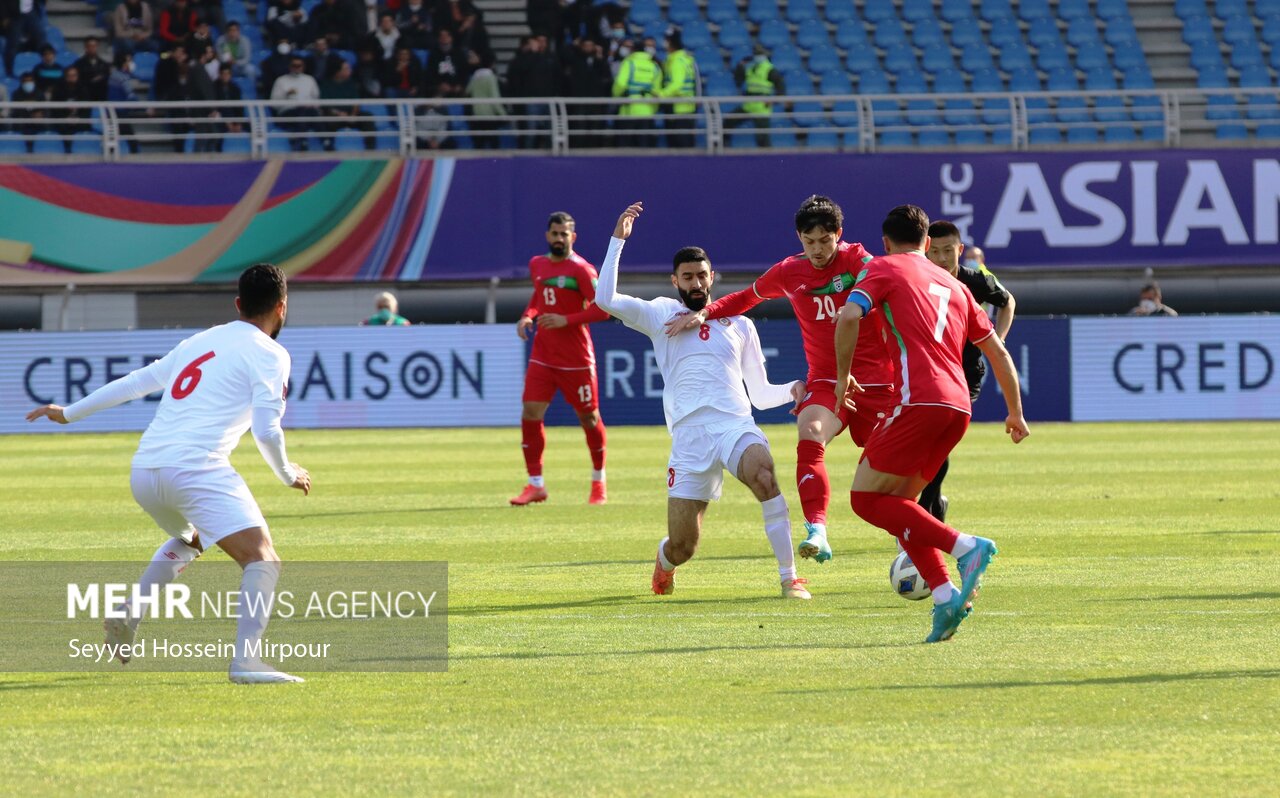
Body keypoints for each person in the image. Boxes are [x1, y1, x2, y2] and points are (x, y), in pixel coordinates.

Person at [25, 263, 311, 684]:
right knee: (262, 558)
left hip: (145, 472)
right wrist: (288, 474)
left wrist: (69, 413)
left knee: (192, 539)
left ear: (238, 304)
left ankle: (130, 612)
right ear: (282, 307)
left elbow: (136, 382)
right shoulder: (271, 353)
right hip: (195, 469)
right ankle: (246, 662)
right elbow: (267, 430)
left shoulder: (201, 340)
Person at [595, 202, 812, 600]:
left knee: (765, 476)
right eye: (687, 277)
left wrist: (793, 388)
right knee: (684, 547)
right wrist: (617, 242)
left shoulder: (739, 324)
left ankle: (790, 578)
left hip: (734, 426)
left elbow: (760, 394)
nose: (696, 283)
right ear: (674, 281)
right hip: (689, 438)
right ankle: (665, 562)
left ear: (713, 277)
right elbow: (605, 299)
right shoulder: (661, 314)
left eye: (701, 275)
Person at [835, 205, 1029, 643]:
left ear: (885, 243)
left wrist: (843, 376)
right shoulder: (955, 285)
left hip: (916, 400)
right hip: (958, 407)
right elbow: (997, 351)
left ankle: (966, 547)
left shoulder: (883, 268)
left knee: (865, 500)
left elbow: (848, 316)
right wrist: (1015, 411)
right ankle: (944, 598)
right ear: (927, 243)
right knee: (903, 505)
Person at [666, 195, 889, 567]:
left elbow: (891, 287)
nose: (817, 250)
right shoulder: (789, 272)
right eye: (809, 241)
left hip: (876, 382)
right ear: (799, 238)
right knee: (810, 431)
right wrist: (706, 313)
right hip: (826, 381)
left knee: (887, 466)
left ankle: (908, 539)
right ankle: (817, 529)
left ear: (839, 234)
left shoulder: (858, 261)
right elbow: (746, 298)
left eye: (825, 240)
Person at [511, 211, 611, 507]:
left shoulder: (582, 270)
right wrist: (528, 315)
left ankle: (598, 481)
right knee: (530, 412)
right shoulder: (537, 264)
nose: (559, 239)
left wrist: (566, 319)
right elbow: (539, 296)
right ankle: (535, 484)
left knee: (589, 417)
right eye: (554, 233)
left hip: (576, 358)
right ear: (547, 235)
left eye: (564, 234)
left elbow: (602, 310)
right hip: (543, 354)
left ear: (573, 237)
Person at [920, 220, 1016, 522]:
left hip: (965, 374)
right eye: (935, 251)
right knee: (928, 443)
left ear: (960, 250)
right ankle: (932, 505)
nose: (942, 258)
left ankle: (925, 509)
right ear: (925, 250)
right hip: (927, 372)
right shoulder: (917, 280)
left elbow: (1008, 301)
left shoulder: (975, 280)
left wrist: (998, 340)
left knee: (939, 441)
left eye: (948, 250)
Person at [611, 36, 662, 147]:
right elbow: (656, 91)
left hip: (628, 110)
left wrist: (616, 96)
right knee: (643, 144)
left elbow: (620, 84)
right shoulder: (654, 66)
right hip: (647, 110)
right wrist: (653, 109)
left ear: (633, 50)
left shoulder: (629, 63)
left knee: (625, 145)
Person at [732, 44, 784, 147]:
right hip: (748, 105)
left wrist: (774, 101)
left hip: (762, 107)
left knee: (762, 137)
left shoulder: (770, 69)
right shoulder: (750, 67)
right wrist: (740, 66)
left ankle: (767, 155)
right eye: (756, 54)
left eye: (759, 54)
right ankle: (722, 146)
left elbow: (781, 88)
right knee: (728, 122)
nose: (757, 56)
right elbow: (738, 81)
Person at [320, 60, 376, 150]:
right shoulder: (326, 84)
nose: (349, 70)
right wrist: (339, 114)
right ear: (337, 71)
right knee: (327, 121)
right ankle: (329, 148)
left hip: (351, 115)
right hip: (334, 116)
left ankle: (370, 148)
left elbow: (356, 102)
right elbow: (325, 105)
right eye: (346, 68)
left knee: (367, 116)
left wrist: (353, 115)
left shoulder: (351, 83)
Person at [657, 27, 698, 148]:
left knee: (680, 145)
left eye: (666, 40)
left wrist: (661, 94)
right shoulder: (684, 59)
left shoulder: (677, 61)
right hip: (685, 108)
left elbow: (677, 84)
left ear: (670, 42)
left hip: (678, 109)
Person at [270, 54, 321, 150]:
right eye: (294, 65)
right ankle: (303, 141)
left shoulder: (309, 79)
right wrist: (286, 94)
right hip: (288, 113)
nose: (297, 68)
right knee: (301, 113)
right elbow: (274, 103)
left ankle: (326, 141)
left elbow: (316, 99)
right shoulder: (281, 81)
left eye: (299, 66)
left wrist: (311, 106)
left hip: (309, 111)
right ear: (289, 67)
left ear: (303, 67)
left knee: (312, 114)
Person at [464, 51, 506, 149]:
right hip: (489, 116)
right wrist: (503, 114)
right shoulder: (491, 78)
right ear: (492, 64)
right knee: (494, 145)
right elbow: (495, 98)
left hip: (476, 114)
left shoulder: (475, 76)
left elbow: (467, 91)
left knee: (479, 145)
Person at [3, 0, 48, 77]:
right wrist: (4, 16)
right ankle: (9, 72)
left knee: (41, 39)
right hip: (15, 15)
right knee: (13, 44)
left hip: (32, 13)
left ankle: (44, 68)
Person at [74, 36, 112, 101]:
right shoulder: (78, 64)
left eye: (94, 46)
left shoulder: (104, 64)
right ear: (85, 47)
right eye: (89, 46)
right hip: (85, 98)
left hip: (100, 98)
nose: (92, 48)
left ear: (98, 47)